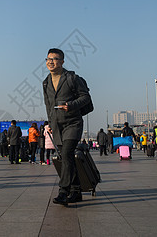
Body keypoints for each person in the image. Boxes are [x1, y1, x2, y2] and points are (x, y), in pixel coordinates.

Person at [43, 48, 91, 205]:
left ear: (62, 62)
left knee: (67, 153)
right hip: (57, 125)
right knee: (66, 157)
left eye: (55, 59)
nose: (51, 62)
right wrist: (50, 123)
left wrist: (70, 105)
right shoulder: (46, 82)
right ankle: (76, 191)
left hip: (73, 123)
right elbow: (48, 105)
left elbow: (86, 97)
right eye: (48, 59)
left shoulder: (72, 78)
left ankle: (64, 191)